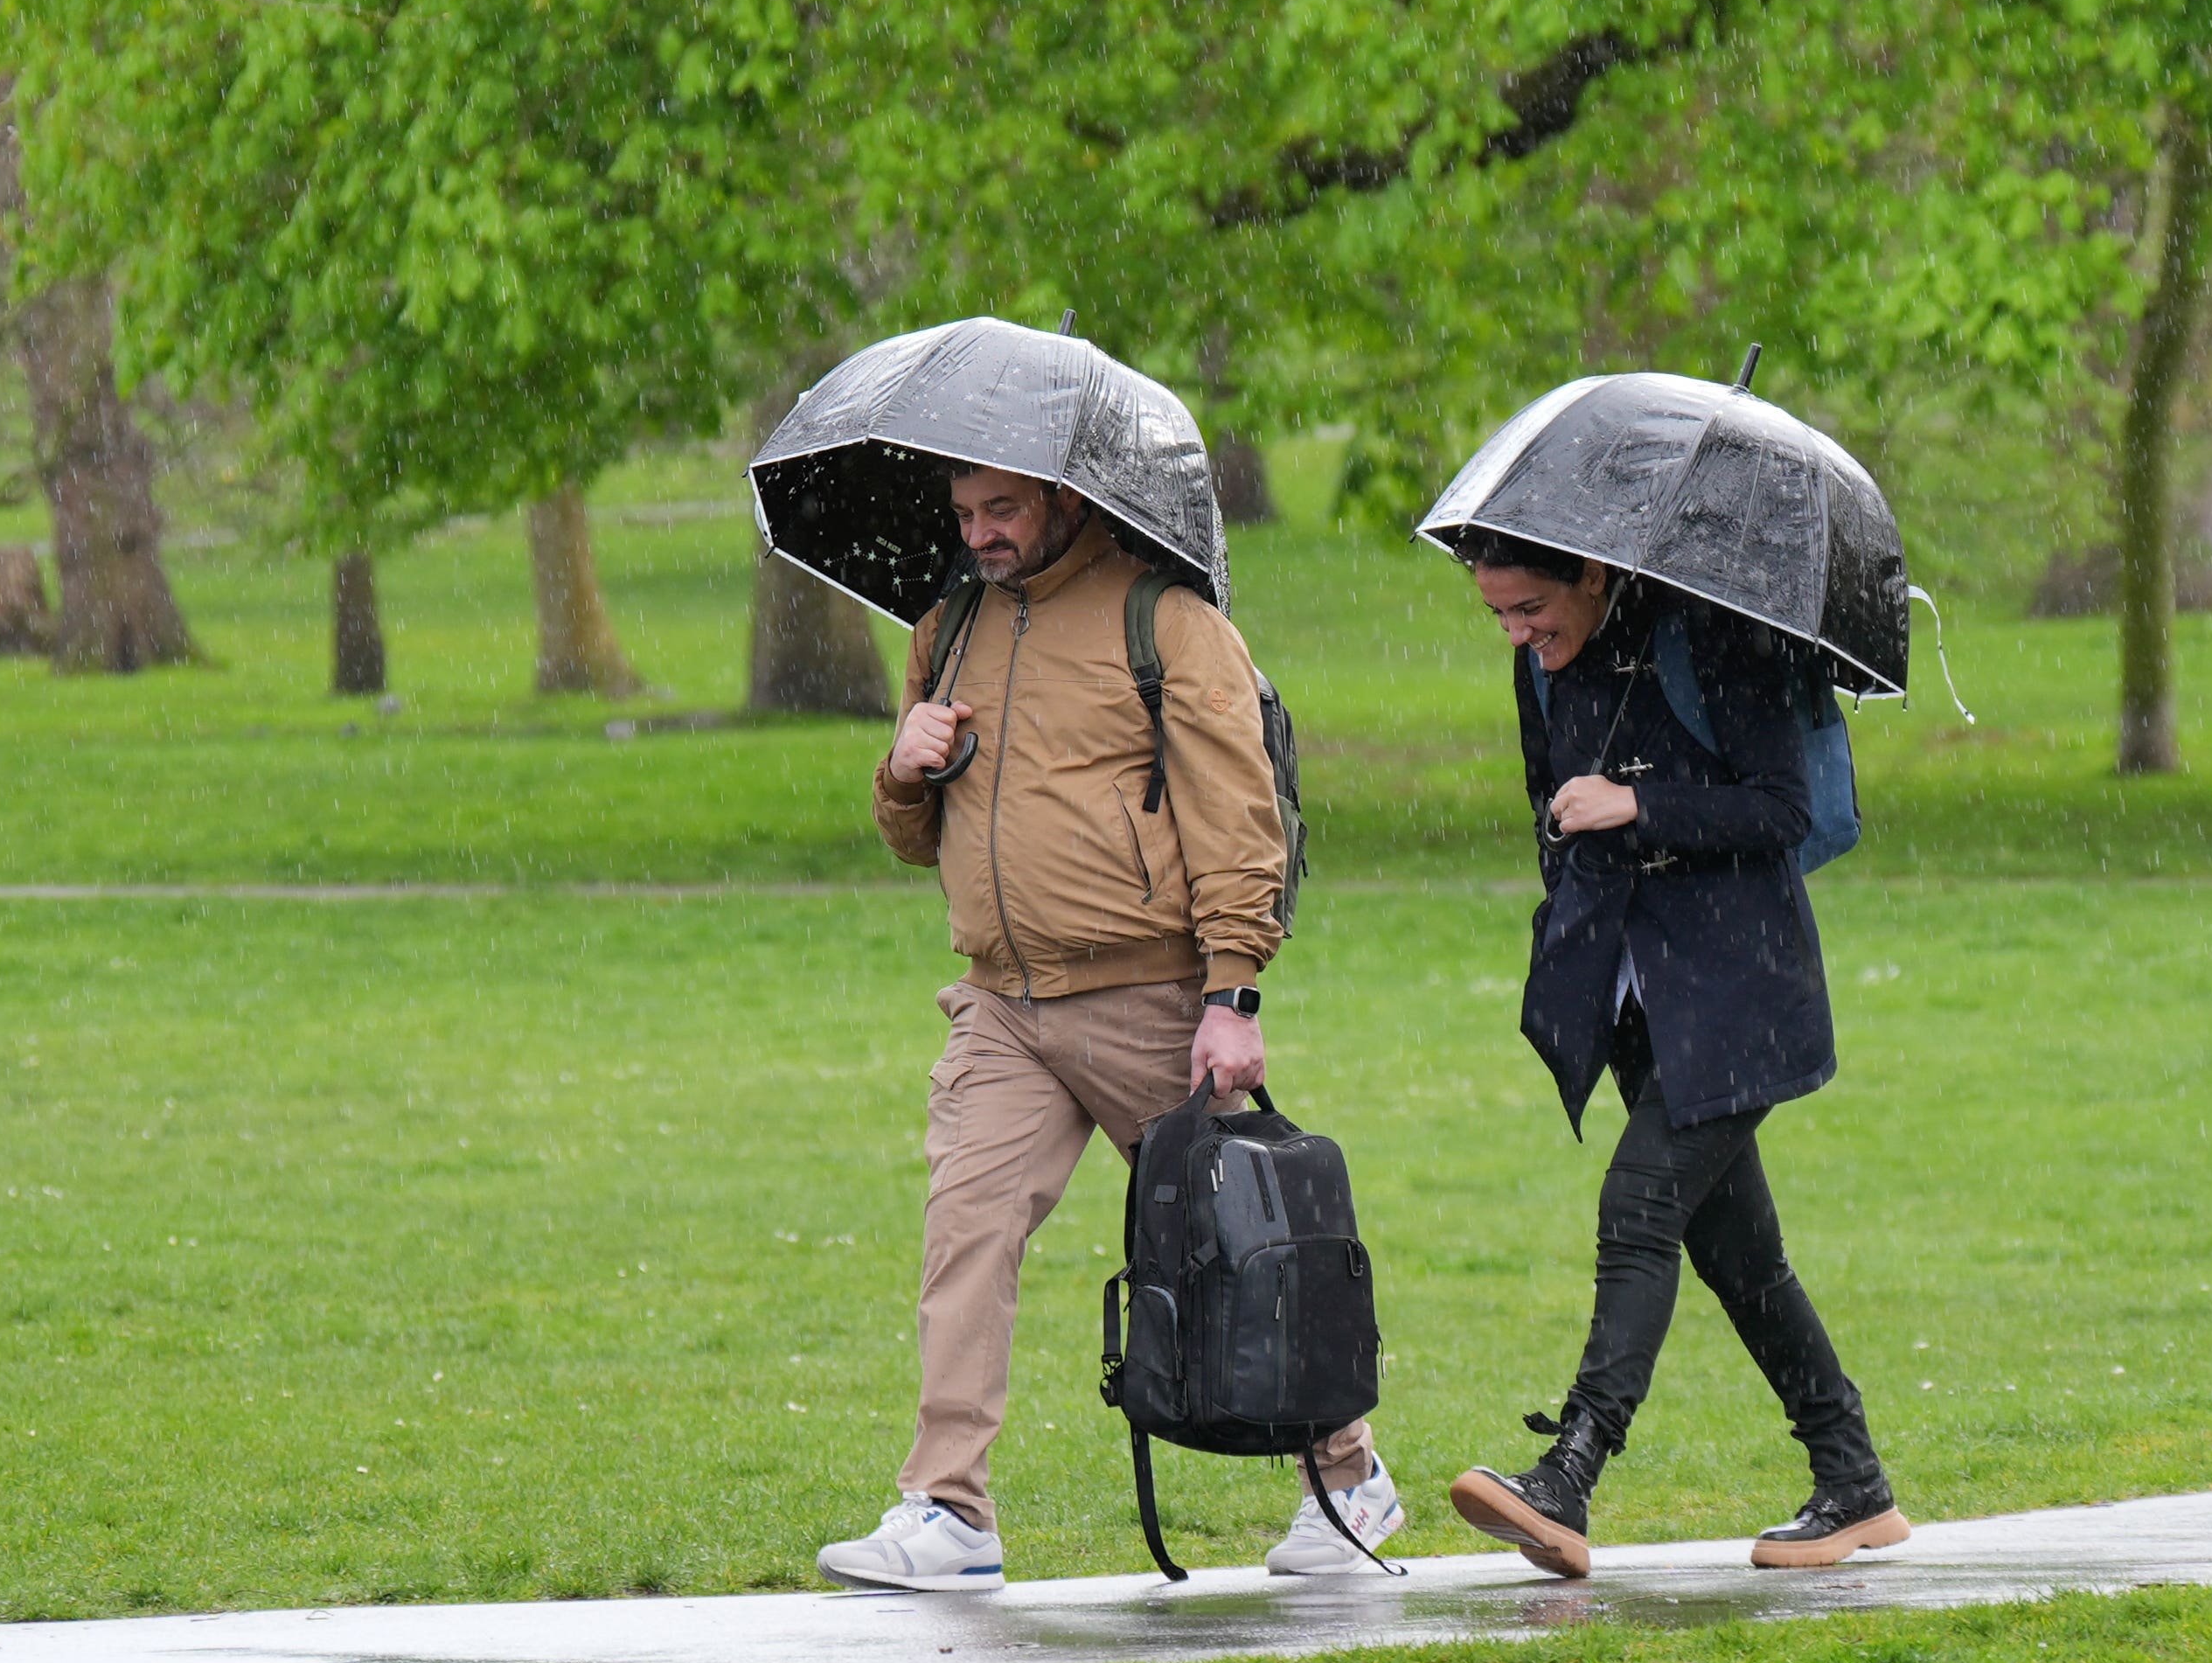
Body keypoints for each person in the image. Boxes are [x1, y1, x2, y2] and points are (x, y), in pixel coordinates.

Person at [814, 462, 1401, 1591]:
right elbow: (913, 836)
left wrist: (1232, 994)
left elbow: (1236, 817)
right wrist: (901, 771)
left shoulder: (1167, 624)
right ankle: (948, 1513)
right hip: (1000, 1005)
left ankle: (1349, 1476)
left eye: (1004, 511)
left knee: (1239, 1245)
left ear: (1067, 501)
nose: (981, 534)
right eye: (965, 515)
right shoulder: (946, 630)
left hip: (1150, 1001)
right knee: (965, 1236)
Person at [1443, 531, 1906, 1576]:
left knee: (1640, 1204)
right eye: (1499, 616)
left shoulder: (1717, 638)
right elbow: (1543, 803)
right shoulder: (1539, 666)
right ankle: (1856, 1483)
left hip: (1742, 991)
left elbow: (1781, 807)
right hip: (1634, 1002)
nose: (1518, 634)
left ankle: (1568, 1474)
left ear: (1594, 574)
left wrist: (1639, 801)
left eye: (1531, 610)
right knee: (1738, 1254)